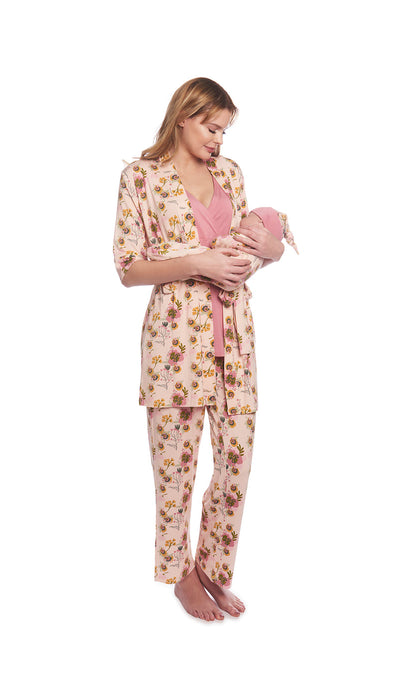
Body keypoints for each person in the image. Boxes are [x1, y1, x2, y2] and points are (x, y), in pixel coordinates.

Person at [113, 77, 287, 622]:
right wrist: (198, 263)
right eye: (211, 128)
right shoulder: (141, 178)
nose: (218, 140)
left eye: (225, 131)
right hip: (176, 346)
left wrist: (271, 250)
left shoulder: (230, 174)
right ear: (184, 117)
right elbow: (128, 268)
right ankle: (181, 575)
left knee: (236, 464)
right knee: (175, 470)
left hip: (234, 339)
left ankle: (213, 566)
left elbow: (249, 247)